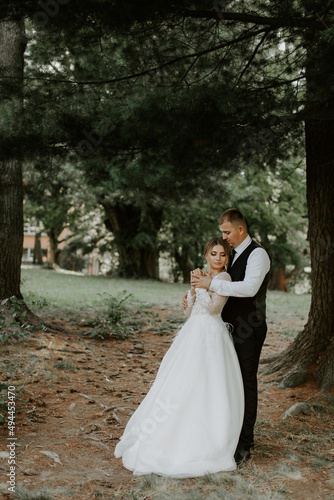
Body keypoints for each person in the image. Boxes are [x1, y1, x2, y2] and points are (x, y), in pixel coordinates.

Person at [114, 238, 244, 477]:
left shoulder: (223, 279)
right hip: (192, 333)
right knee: (180, 379)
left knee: (205, 381)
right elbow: (188, 312)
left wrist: (202, 287)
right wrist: (191, 293)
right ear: (206, 255)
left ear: (227, 258)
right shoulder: (201, 276)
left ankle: (204, 436)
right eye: (214, 253)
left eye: (223, 255)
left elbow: (214, 309)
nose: (218, 258)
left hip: (211, 335)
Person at [188, 209, 271, 466]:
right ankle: (225, 435)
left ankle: (245, 444)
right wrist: (196, 294)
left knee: (245, 384)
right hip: (223, 330)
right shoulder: (230, 254)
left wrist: (210, 285)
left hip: (248, 330)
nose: (223, 237)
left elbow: (248, 288)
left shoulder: (258, 254)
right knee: (225, 383)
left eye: (226, 232)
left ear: (240, 230)